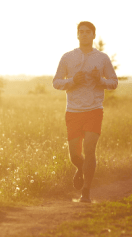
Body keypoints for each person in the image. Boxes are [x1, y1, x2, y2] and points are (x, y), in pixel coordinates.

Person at [52, 21, 118, 203]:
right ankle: (80, 169)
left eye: (88, 32)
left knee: (89, 149)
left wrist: (100, 80)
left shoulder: (102, 58)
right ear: (77, 35)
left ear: (93, 35)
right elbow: (56, 82)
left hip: (94, 109)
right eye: (81, 32)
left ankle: (86, 191)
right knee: (74, 155)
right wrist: (72, 80)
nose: (84, 35)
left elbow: (114, 82)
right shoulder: (67, 57)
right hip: (73, 111)